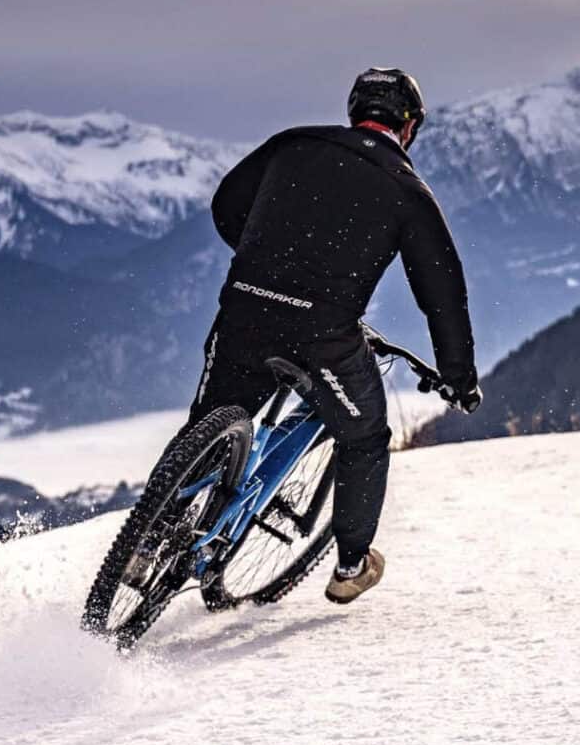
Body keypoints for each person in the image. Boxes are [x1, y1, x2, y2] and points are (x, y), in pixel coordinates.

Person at [192, 67, 480, 603]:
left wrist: (264, 263)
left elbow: (226, 206)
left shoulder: (293, 144)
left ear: (354, 112)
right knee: (365, 434)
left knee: (210, 422)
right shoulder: (407, 190)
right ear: (410, 126)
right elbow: (442, 296)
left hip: (245, 308)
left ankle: (154, 537)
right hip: (322, 332)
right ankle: (351, 566)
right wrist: (459, 378)